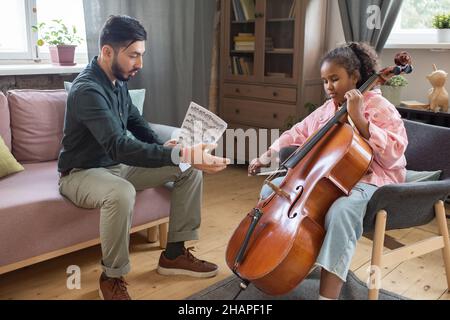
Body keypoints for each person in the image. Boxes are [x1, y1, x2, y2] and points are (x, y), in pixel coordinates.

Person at [58, 15, 230, 300]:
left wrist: (168, 145)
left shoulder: (118, 79)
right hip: (81, 173)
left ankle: (174, 254)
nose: (140, 64)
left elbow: (136, 123)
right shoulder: (87, 90)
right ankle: (112, 277)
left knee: (188, 169)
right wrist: (179, 153)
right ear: (107, 52)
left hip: (116, 166)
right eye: (134, 55)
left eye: (142, 55)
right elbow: (119, 145)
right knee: (122, 191)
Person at [248, 42, 408, 300]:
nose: (329, 87)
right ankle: (280, 259)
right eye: (325, 81)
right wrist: (268, 154)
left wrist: (361, 121)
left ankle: (328, 296)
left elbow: (394, 154)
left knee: (342, 210)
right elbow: (297, 133)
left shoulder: (380, 107)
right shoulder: (328, 109)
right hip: (333, 178)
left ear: (355, 77)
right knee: (271, 190)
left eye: (335, 79)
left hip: (375, 180)